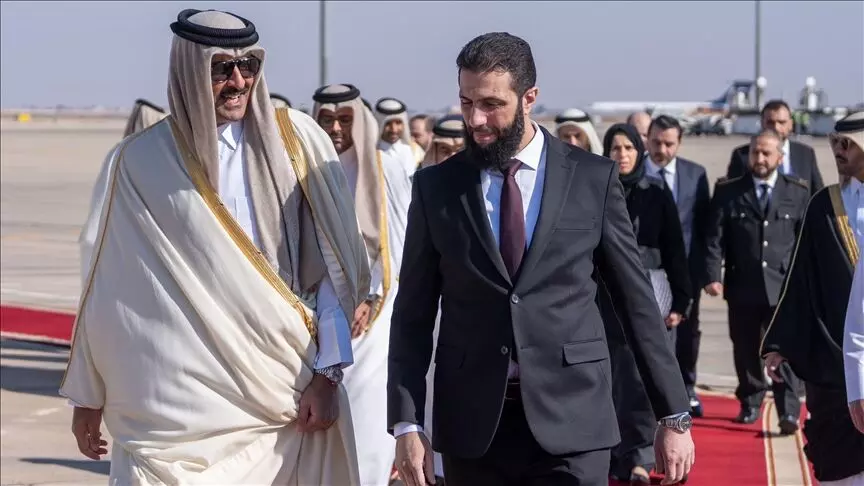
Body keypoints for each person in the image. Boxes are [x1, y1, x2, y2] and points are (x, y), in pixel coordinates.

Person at [61, 9, 370, 485]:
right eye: (222, 68)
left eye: (249, 66)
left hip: (283, 392)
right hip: (173, 413)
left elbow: (334, 271)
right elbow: (110, 287)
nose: (239, 81)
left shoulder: (298, 141)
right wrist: (89, 395)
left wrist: (328, 376)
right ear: (189, 69)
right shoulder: (139, 161)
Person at [388, 32, 694, 486]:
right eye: (467, 102)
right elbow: (412, 314)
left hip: (574, 422)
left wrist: (673, 415)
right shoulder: (436, 188)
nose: (475, 119)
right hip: (473, 427)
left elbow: (636, 302)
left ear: (529, 98)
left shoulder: (591, 179)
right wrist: (407, 423)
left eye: (491, 104)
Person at [313, 83, 409, 486]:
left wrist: (370, 298)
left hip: (374, 319)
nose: (336, 128)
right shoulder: (306, 167)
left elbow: (400, 244)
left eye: (345, 119)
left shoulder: (385, 169)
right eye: (327, 119)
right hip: (316, 314)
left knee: (365, 423)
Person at [761, 111, 864, 485]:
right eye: (836, 143)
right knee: (840, 465)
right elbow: (800, 277)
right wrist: (780, 343)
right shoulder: (825, 204)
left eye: (848, 144)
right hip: (832, 357)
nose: (839, 151)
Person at [600, 123, 692, 483]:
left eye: (628, 148)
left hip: (649, 293)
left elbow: (674, 248)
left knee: (641, 380)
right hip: (603, 298)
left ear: (639, 152)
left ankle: (639, 456)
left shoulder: (655, 191)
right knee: (611, 378)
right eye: (615, 148)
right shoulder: (596, 190)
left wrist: (681, 299)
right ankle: (613, 453)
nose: (622, 155)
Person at [704, 128, 810, 432]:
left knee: (785, 349)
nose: (760, 158)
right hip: (743, 285)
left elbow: (804, 241)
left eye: (766, 153)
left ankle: (788, 411)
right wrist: (713, 276)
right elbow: (714, 239)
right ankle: (750, 402)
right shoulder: (728, 191)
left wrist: (804, 282)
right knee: (745, 347)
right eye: (755, 152)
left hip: (783, 289)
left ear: (780, 156)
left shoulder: (797, 192)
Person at [644, 114, 712, 417]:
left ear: (679, 143)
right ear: (647, 140)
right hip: (648, 269)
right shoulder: (632, 173)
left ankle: (687, 388)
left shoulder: (695, 175)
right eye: (656, 142)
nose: (662, 149)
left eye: (669, 144)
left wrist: (707, 272)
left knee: (687, 332)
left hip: (685, 271)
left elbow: (705, 226)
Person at [727, 99, 824, 197]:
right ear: (762, 123)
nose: (776, 127)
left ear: (790, 124)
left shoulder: (805, 154)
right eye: (770, 122)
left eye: (781, 122)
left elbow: (818, 193)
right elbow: (730, 194)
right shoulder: (742, 155)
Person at [375, 97, 421, 178]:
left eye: (398, 123)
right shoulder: (371, 154)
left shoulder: (416, 152)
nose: (394, 129)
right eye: (388, 124)